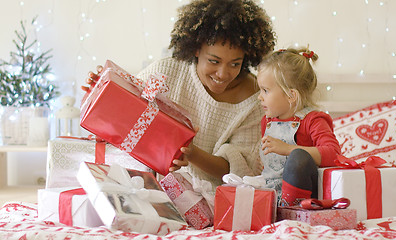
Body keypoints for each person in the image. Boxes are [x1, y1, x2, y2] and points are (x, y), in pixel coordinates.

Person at [82, 0, 276, 190]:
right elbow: (126, 111)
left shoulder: (255, 100)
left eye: (235, 64)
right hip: (147, 186)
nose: (223, 74)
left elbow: (239, 172)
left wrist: (190, 154)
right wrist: (103, 87)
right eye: (214, 61)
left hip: (210, 199)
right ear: (197, 48)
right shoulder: (167, 70)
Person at [256, 47, 341, 206]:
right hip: (273, 192)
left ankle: (292, 210)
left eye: (265, 91)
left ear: (291, 95)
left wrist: (288, 149)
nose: (259, 96)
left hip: (305, 197)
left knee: (298, 158)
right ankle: (273, 207)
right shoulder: (267, 122)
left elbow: (333, 154)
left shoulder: (313, 120)